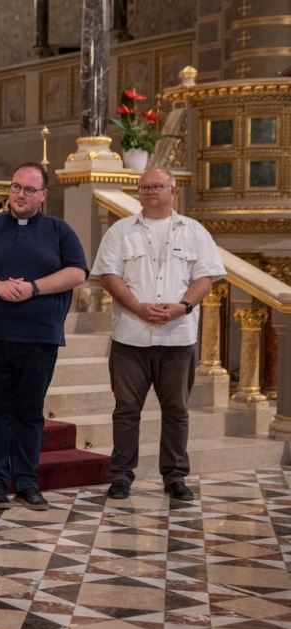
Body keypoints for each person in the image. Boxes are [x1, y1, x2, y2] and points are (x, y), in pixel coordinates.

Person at [90, 167, 225, 501]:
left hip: (177, 337)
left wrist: (182, 306)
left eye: (157, 186)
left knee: (176, 410)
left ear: (173, 191)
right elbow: (108, 275)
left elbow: (205, 277)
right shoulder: (121, 231)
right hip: (130, 338)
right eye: (144, 187)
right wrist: (136, 306)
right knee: (126, 410)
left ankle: (175, 476)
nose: (149, 192)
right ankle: (122, 475)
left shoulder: (194, 231)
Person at [0, 162, 88, 511]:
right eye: (16, 187)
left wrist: (32, 288)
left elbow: (77, 272)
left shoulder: (59, 230)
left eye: (29, 190)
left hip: (38, 338)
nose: (20, 194)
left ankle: (27, 482)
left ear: (43, 195)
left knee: (29, 412)